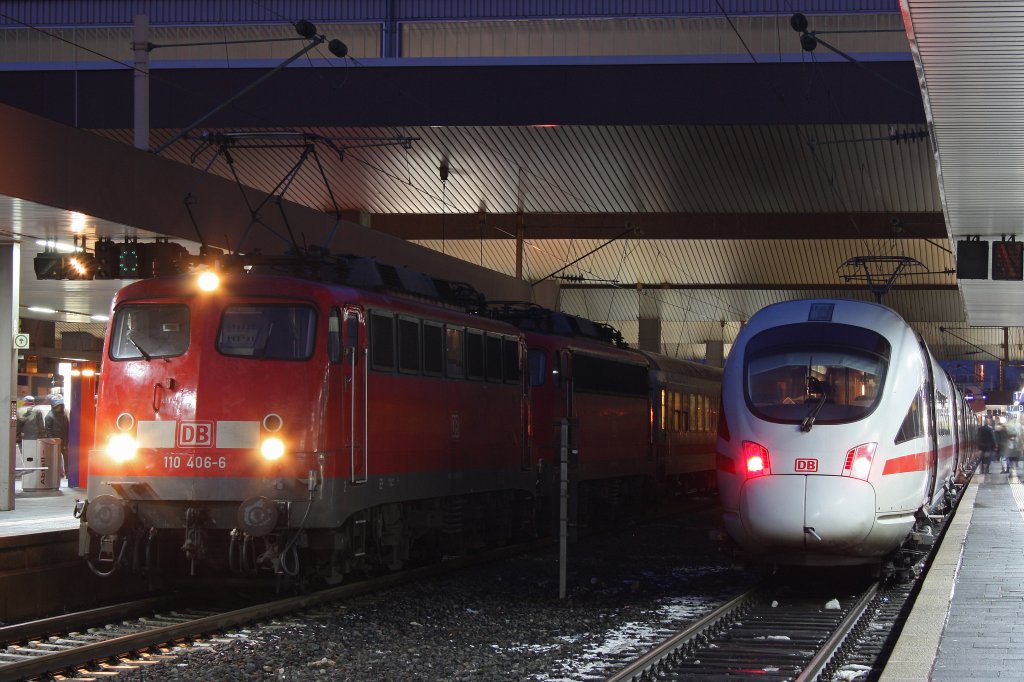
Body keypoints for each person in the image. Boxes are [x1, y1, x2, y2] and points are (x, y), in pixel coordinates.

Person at [44, 395, 70, 478]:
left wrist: (67, 441)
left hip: (64, 441)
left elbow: (67, 428)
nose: (60, 407)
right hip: (55, 441)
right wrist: (53, 441)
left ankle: (67, 473)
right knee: (56, 459)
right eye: (59, 406)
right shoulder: (49, 416)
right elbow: (48, 431)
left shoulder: (64, 415)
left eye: (61, 405)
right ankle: (57, 473)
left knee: (66, 458)